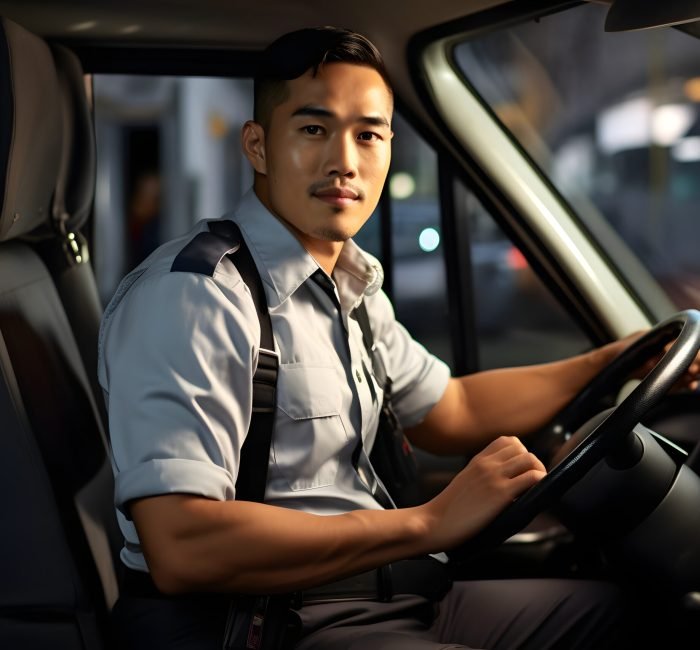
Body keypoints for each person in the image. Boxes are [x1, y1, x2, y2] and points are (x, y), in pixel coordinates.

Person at [98, 26, 697, 649]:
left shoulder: (348, 284)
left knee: (632, 616)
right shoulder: (195, 295)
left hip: (388, 595)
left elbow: (449, 409)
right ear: (257, 145)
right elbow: (181, 545)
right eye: (312, 129)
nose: (344, 163)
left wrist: (614, 362)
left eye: (368, 135)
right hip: (264, 623)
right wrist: (429, 524)